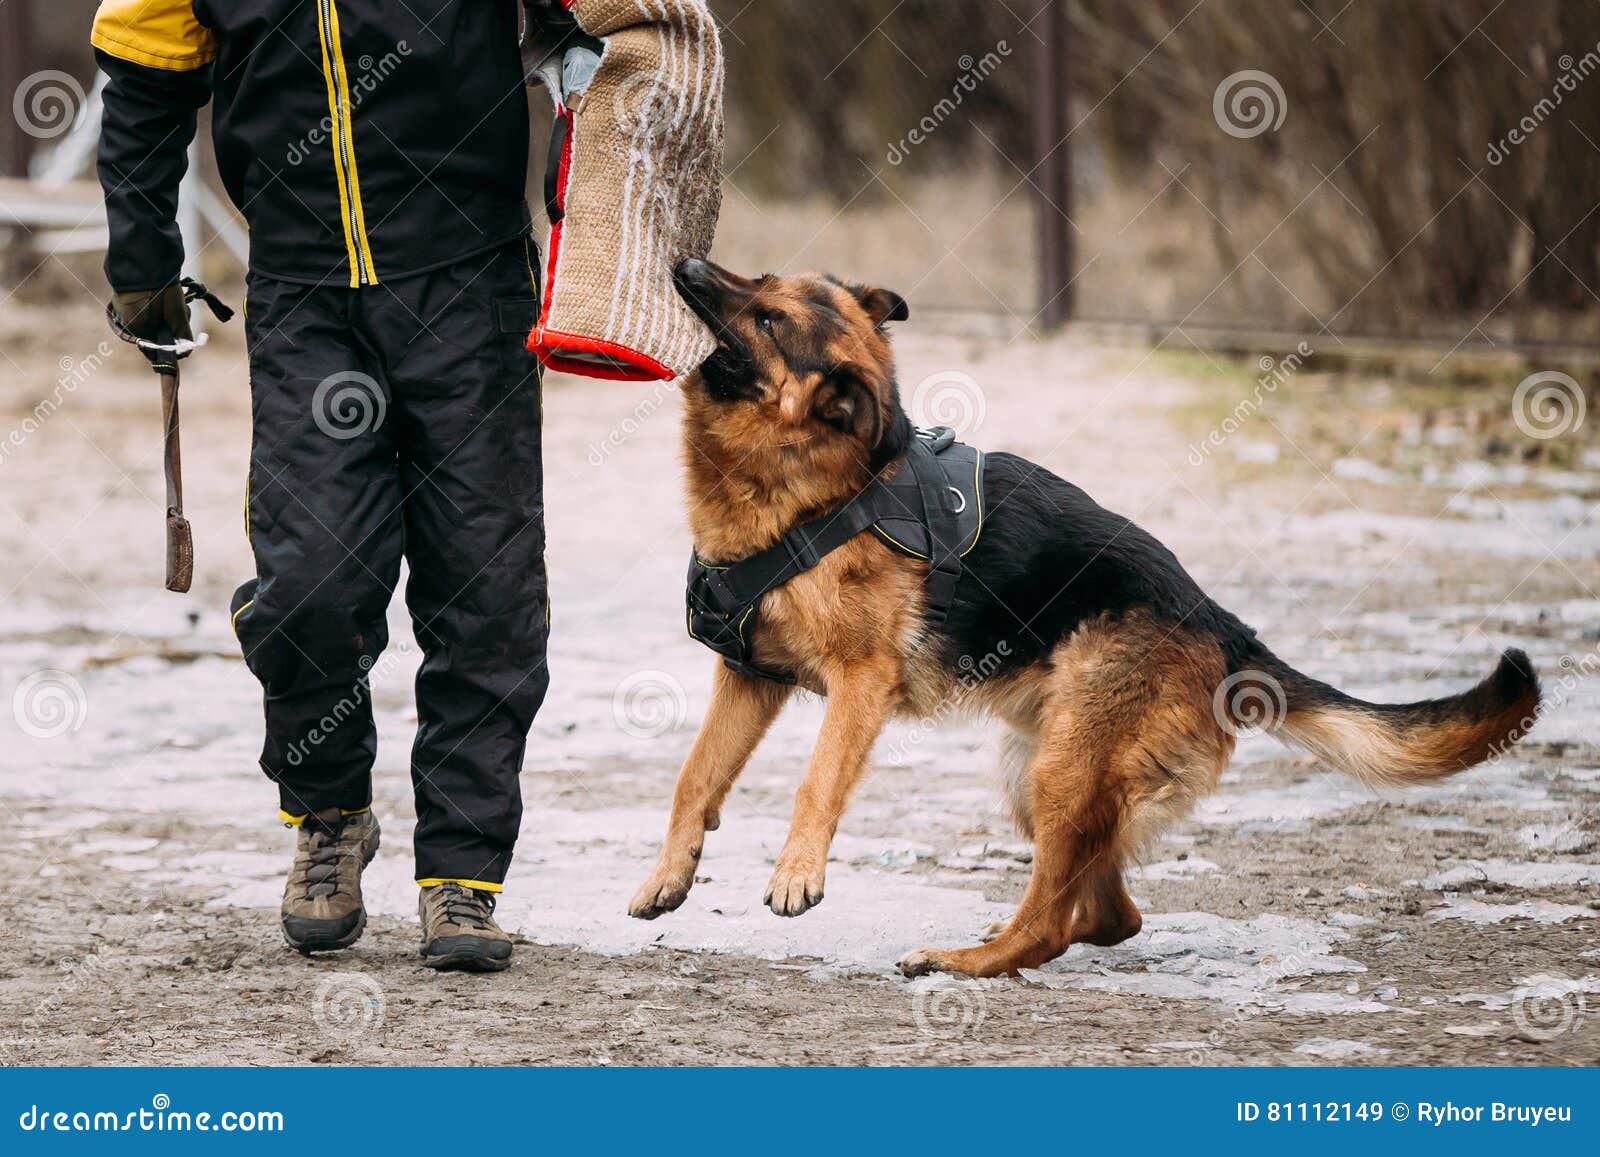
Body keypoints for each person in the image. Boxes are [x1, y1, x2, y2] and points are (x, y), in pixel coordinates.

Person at [92, 0, 549, 972]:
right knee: (308, 587)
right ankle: (328, 812)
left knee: (485, 586)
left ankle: (461, 877)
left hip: (467, 275)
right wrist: (142, 263)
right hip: (303, 297)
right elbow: (142, 81)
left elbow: (607, 26)